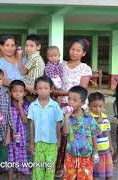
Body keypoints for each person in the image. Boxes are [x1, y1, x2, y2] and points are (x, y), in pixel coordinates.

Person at [54, 38, 92, 177]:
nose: (74, 52)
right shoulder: (61, 65)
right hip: (60, 105)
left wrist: (61, 93)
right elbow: (54, 85)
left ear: (83, 53)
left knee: (74, 137)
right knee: (61, 137)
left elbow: (81, 90)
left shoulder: (85, 68)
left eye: (78, 50)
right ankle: (59, 168)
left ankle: (77, 168)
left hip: (77, 107)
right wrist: (58, 95)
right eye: (72, 49)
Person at [28, 76, 63, 179]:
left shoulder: (55, 106)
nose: (43, 91)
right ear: (35, 90)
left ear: (51, 89)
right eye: (40, 88)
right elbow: (32, 124)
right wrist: (31, 142)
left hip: (52, 143)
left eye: (46, 88)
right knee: (38, 167)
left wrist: (59, 140)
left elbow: (58, 124)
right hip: (38, 142)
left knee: (50, 168)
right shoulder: (33, 106)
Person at [62, 86, 100, 179]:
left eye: (75, 100)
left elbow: (94, 135)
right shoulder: (67, 117)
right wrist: (66, 117)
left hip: (86, 155)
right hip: (71, 154)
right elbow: (65, 133)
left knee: (85, 177)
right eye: (69, 98)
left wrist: (96, 151)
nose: (70, 102)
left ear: (82, 103)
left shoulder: (89, 117)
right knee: (69, 177)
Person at [7, 80, 30, 180]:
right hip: (10, 136)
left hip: (21, 137)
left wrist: (20, 106)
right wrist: (11, 133)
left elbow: (25, 121)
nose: (18, 93)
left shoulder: (26, 105)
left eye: (20, 91)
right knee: (10, 159)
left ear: (24, 93)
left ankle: (19, 178)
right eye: (15, 91)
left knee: (20, 159)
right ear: (10, 93)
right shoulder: (8, 105)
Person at [88, 92, 113, 179]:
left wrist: (110, 145)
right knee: (95, 174)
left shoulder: (105, 118)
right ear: (89, 106)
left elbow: (108, 132)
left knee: (108, 173)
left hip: (106, 150)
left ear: (104, 105)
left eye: (100, 106)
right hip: (94, 151)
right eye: (94, 106)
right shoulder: (88, 118)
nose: (98, 109)